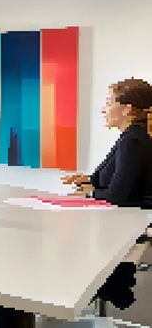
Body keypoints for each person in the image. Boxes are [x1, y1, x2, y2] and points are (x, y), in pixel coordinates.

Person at [62, 78, 152, 310]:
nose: (104, 109)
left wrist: (87, 196)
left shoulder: (133, 140)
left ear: (128, 109)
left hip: (127, 230)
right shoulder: (132, 136)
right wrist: (89, 180)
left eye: (109, 102)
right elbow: (120, 179)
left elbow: (119, 195)